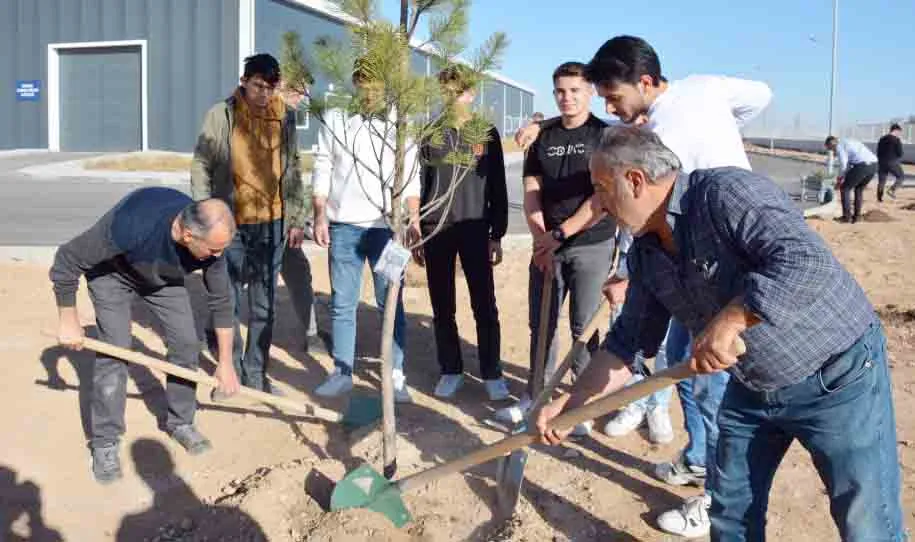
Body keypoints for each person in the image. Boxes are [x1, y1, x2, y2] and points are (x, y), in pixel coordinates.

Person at [536, 125, 904, 542]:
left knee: (865, 521)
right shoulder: (646, 254)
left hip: (836, 375)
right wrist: (572, 403)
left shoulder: (724, 194)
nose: (598, 205)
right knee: (730, 516)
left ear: (635, 180)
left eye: (601, 189)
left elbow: (805, 261)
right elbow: (628, 343)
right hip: (752, 389)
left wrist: (733, 317)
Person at [518, 35, 772, 536]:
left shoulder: (663, 134)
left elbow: (652, 209)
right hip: (691, 259)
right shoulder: (704, 88)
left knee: (708, 385)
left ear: (647, 83)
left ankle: (718, 500)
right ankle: (697, 458)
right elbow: (761, 94)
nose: (612, 108)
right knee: (681, 369)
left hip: (715, 268)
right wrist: (723, 135)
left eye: (613, 98)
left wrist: (631, 274)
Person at [50, 187, 239, 484]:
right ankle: (105, 442)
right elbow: (66, 261)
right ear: (188, 235)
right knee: (115, 350)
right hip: (110, 274)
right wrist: (68, 320)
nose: (219, 256)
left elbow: (222, 301)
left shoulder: (212, 243)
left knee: (186, 343)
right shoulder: (131, 225)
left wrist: (225, 361)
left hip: (161, 279)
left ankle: (181, 422)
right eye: (214, 250)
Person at [495, 61, 624, 438]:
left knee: (583, 328)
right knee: (543, 324)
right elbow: (532, 188)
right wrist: (540, 238)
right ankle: (534, 396)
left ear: (589, 92)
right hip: (546, 247)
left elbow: (601, 198)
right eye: (560, 92)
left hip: (591, 244)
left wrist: (560, 235)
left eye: (575, 91)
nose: (567, 98)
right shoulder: (543, 137)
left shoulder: (605, 136)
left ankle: (577, 405)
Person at [190, 53, 308, 394]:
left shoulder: (284, 116)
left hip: (271, 223)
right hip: (230, 223)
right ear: (244, 81)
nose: (264, 94)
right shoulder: (222, 115)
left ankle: (257, 374)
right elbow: (201, 164)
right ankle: (232, 372)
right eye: (258, 85)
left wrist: (296, 216)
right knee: (228, 301)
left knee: (263, 305)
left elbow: (294, 166)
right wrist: (204, 212)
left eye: (271, 87)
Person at [310, 58, 421, 401]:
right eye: (364, 83)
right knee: (343, 303)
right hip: (343, 227)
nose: (370, 91)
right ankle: (342, 372)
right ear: (355, 83)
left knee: (390, 302)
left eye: (377, 85)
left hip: (387, 230)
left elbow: (412, 174)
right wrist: (319, 216)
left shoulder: (401, 124)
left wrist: (412, 220)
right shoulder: (336, 119)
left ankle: (395, 374)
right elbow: (323, 168)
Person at [415, 66, 510, 400]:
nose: (452, 98)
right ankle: (451, 369)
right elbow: (422, 183)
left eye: (459, 91)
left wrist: (496, 233)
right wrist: (419, 227)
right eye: (446, 92)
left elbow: (497, 186)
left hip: (475, 227)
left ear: (471, 93)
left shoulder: (485, 133)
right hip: (437, 228)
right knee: (443, 304)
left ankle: (492, 372)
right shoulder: (431, 133)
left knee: (484, 303)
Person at [824, 135, 878, 223]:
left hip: (862, 165)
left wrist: (839, 180)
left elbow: (844, 165)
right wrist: (843, 178)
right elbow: (848, 166)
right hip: (874, 165)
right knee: (859, 189)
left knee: (845, 188)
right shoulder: (847, 141)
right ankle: (857, 217)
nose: (832, 151)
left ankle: (846, 217)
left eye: (830, 148)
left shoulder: (839, 146)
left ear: (832, 144)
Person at [877, 123, 906, 201]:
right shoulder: (896, 140)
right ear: (896, 130)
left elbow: (878, 151)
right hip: (892, 161)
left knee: (882, 180)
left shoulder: (882, 139)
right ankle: (892, 190)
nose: (899, 134)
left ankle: (879, 198)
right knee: (901, 177)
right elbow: (900, 153)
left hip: (881, 162)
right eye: (899, 132)